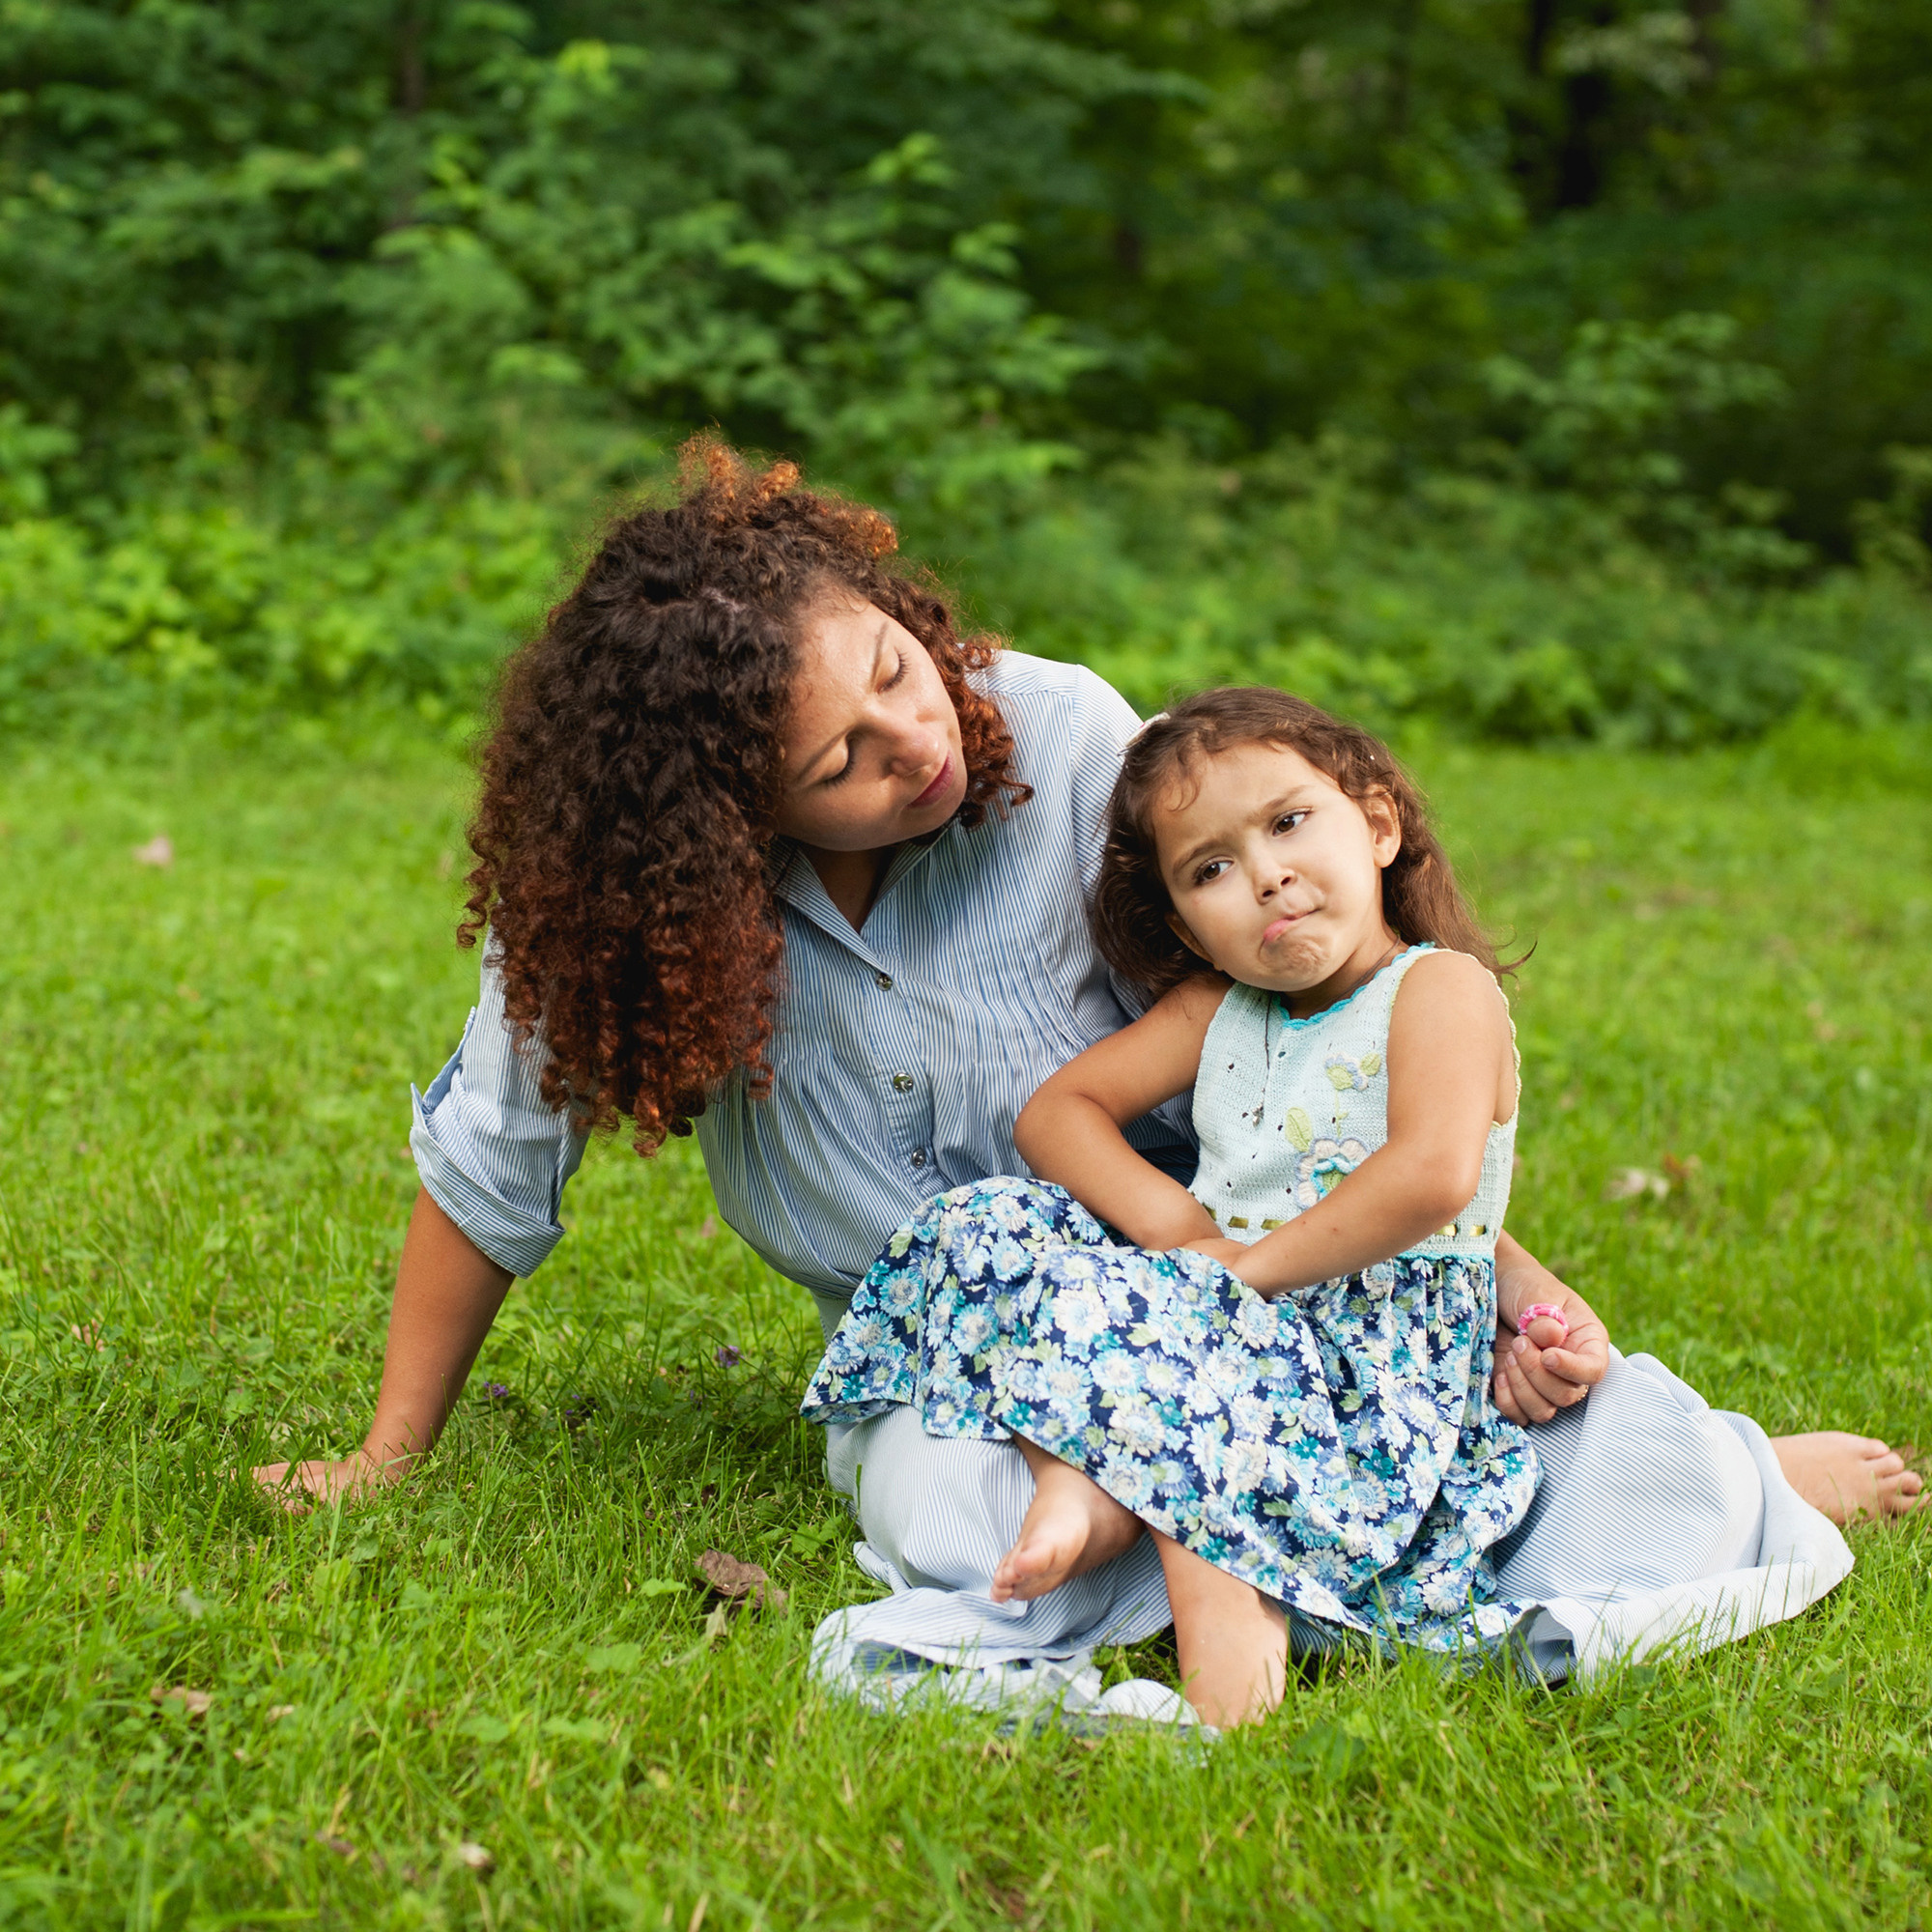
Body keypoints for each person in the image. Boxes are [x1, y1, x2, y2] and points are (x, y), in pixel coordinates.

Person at [252, 443, 1919, 1648]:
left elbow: (1298, 1040)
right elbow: (490, 1166)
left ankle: (1688, 1479)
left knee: (1494, 1396)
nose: (915, 740)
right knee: (951, 1525)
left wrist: (1502, 1280)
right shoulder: (641, 907)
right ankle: (1337, 1534)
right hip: (957, 1360)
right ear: (726, 825)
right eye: (837, 762)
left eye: (897, 670)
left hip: (1229, 1272)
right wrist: (389, 1457)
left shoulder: (1057, 732)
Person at [802, 688, 1554, 1724]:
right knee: (992, 1220)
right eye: (1210, 869)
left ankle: (1225, 1695)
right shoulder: (1219, 1007)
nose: (1265, 875)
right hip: (1222, 1304)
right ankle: (1077, 1483)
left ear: (1378, 825)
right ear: (1185, 927)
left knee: (1189, 1344)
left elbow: (1431, 1174)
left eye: (1289, 822)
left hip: (1361, 1355)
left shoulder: (1437, 989)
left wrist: (1244, 1269)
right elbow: (1056, 1114)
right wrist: (1177, 1231)